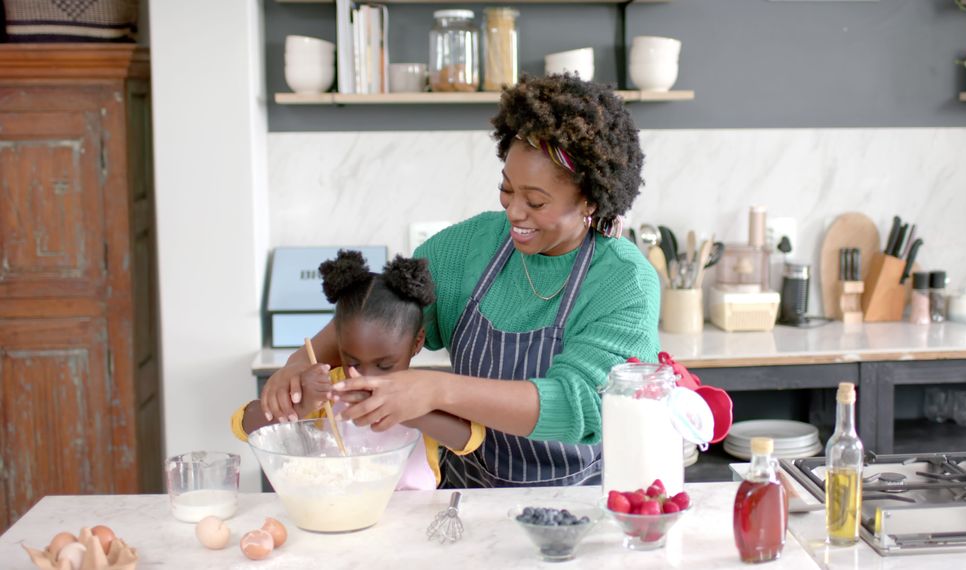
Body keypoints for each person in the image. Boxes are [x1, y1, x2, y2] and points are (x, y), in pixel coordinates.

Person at [265, 73, 661, 488]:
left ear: (590, 200)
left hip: (579, 499)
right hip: (467, 493)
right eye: (507, 190)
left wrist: (438, 389)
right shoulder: (466, 248)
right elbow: (367, 319)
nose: (514, 212)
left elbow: (584, 406)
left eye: (536, 201)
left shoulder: (624, 282)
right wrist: (297, 368)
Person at [232, 250, 484, 489]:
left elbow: (469, 439)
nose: (366, 377)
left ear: (417, 342)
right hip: (340, 510)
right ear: (338, 345)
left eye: (384, 365)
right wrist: (299, 405)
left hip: (413, 518)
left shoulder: (422, 390)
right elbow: (243, 425)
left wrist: (411, 411)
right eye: (352, 362)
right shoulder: (331, 389)